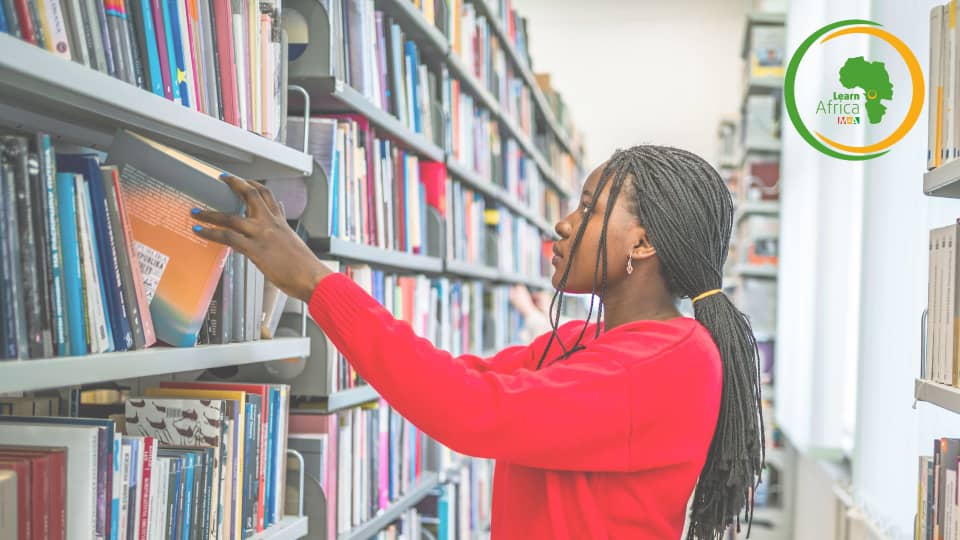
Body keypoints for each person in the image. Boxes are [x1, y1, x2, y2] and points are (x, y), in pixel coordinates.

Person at [192, 145, 765, 539]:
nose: (565, 223)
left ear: (642, 244)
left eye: (590, 208)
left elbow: (470, 411)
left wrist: (317, 283)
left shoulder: (668, 362)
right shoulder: (578, 343)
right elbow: (450, 379)